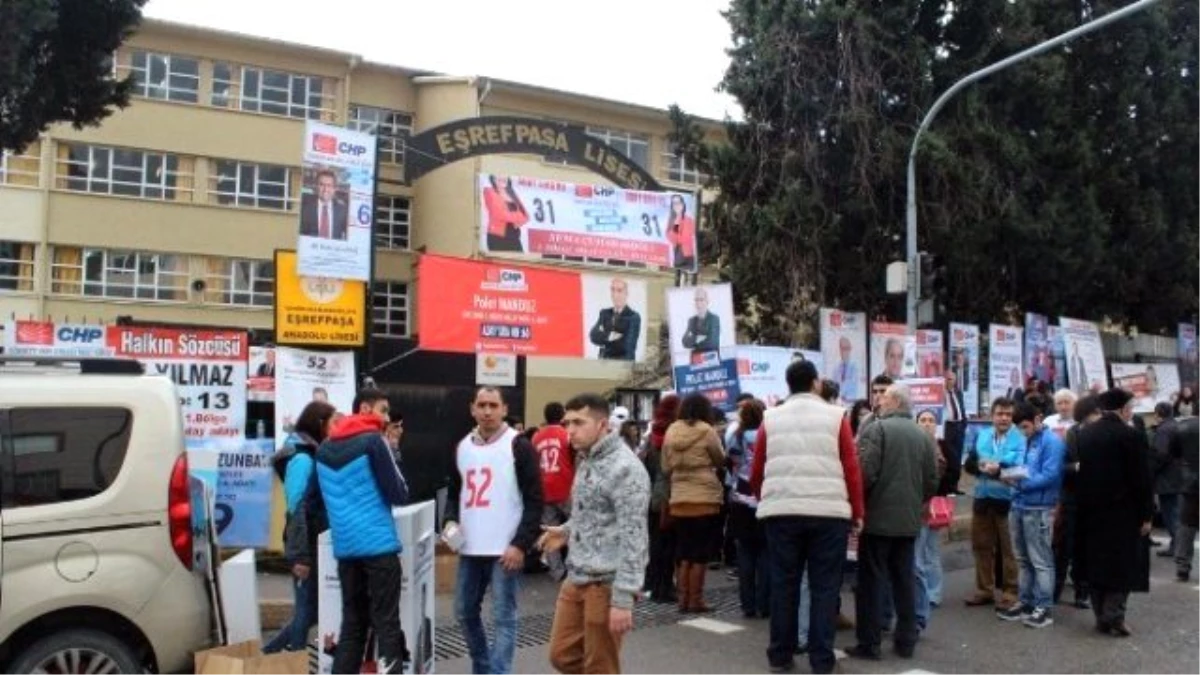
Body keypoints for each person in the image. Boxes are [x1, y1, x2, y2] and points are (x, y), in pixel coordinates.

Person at [749, 359, 864, 675]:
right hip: (828, 514)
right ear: (815, 383)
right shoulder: (835, 415)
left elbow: (757, 469)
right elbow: (850, 467)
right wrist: (857, 511)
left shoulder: (769, 418)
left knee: (784, 584)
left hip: (781, 513)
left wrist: (767, 498)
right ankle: (822, 660)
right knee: (825, 587)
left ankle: (780, 655)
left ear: (788, 384)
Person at [286, 388, 410, 675]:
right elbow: (399, 493)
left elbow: (312, 501)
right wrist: (393, 449)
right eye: (384, 409)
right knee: (387, 624)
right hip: (379, 547)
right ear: (365, 410)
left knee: (352, 626)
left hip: (346, 550)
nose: (388, 417)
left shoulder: (325, 448)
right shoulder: (374, 442)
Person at [541, 393, 650, 674]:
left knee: (600, 667)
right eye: (567, 423)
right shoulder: (587, 458)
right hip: (576, 575)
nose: (570, 431)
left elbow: (634, 537)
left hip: (606, 583)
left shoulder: (626, 468)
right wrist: (566, 530)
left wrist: (623, 598)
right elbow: (590, 511)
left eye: (579, 422)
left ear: (603, 425)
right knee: (562, 656)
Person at [442, 387, 543, 675]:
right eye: (481, 405)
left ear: (504, 409)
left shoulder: (519, 445)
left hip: (505, 549)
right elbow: (454, 493)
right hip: (470, 547)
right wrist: (449, 522)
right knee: (463, 612)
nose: (487, 411)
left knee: (503, 617)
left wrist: (521, 544)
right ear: (472, 409)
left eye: (493, 405)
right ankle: (483, 667)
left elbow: (535, 499)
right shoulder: (462, 447)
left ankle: (498, 672)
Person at [848, 385, 938, 661]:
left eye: (884, 397)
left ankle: (870, 642)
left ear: (895, 402)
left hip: (878, 519)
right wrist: (916, 503)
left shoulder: (877, 430)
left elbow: (865, 473)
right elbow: (931, 479)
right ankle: (906, 640)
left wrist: (858, 508)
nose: (879, 401)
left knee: (872, 582)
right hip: (908, 520)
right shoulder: (922, 436)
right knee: (904, 580)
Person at [1074, 388, 1153, 637]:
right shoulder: (1131, 435)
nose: (1131, 412)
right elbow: (1141, 480)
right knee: (1122, 565)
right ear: (1122, 409)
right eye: (1130, 407)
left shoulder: (1085, 434)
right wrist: (1147, 515)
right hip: (1123, 512)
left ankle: (1101, 617)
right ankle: (1115, 616)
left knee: (1096, 563)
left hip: (1091, 511)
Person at [266, 400, 336, 654]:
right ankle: (282, 658)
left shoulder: (311, 453)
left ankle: (268, 656)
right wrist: (301, 556)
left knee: (309, 612)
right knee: (307, 611)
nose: (335, 427)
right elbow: (297, 510)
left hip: (310, 543)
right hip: (303, 545)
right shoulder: (303, 459)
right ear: (320, 423)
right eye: (332, 422)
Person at [998, 402, 1065, 629]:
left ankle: (1044, 607)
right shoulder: (1026, 440)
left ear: (1038, 419)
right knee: (1023, 559)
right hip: (1019, 505)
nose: (1023, 431)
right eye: (1020, 428)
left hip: (1039, 507)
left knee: (1041, 561)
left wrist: (1020, 483)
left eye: (1026, 426)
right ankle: (1025, 601)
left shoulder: (1052, 442)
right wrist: (1006, 473)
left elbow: (1050, 475)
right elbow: (1022, 467)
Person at [662, 393, 725, 613]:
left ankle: (682, 599)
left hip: (679, 496)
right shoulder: (707, 431)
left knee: (683, 549)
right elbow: (719, 458)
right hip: (704, 497)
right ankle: (695, 599)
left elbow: (665, 465)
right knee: (700, 551)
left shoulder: (671, 430)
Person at [963, 397, 1022, 609]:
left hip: (1008, 501)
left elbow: (1021, 468)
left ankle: (1010, 592)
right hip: (982, 498)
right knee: (981, 546)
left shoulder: (1020, 438)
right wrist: (980, 466)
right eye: (1000, 414)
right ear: (992, 416)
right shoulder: (983, 435)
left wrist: (997, 469)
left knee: (1009, 550)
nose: (1004, 418)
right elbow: (969, 463)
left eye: (1008, 414)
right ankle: (984, 590)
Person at [1053, 394, 1100, 607]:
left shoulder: (1102, 435)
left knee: (1086, 548)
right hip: (1071, 498)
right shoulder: (1071, 434)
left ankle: (1082, 592)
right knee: (1063, 546)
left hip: (1092, 500)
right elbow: (1060, 466)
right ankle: (1054, 590)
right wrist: (1076, 467)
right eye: (1095, 414)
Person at [727, 398, 770, 618]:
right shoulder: (768, 435)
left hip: (740, 499)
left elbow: (731, 462)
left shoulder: (737, 436)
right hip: (764, 498)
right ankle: (764, 603)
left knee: (745, 554)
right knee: (765, 554)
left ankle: (747, 604)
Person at [642, 395, 680, 604]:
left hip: (651, 497)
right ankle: (664, 588)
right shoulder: (673, 435)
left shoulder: (652, 435)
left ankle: (654, 584)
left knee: (656, 543)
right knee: (667, 545)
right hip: (667, 496)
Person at [533, 402, 575, 583]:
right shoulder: (567, 435)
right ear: (562, 415)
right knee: (577, 527)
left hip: (544, 490)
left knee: (550, 532)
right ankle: (576, 567)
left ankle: (558, 572)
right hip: (566, 488)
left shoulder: (536, 437)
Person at [914, 410, 949, 620]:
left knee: (931, 551)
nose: (927, 424)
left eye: (931, 420)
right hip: (918, 507)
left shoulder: (940, 446)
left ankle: (933, 593)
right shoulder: (914, 443)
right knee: (919, 552)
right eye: (923, 420)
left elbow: (947, 472)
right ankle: (923, 591)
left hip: (932, 506)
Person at [1169, 410, 1200, 581]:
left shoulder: (1183, 427)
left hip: (1190, 482)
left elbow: (1173, 453)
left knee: (1186, 526)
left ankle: (1182, 566)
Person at [1152, 402, 1183, 558]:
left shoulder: (1163, 430)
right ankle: (1176, 545)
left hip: (1167, 479)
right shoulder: (1176, 425)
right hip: (1178, 475)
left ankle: (1178, 547)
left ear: (1158, 414)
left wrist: (1151, 469)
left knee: (1170, 514)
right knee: (1176, 512)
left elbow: (1161, 455)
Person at [588, 278, 641, 360]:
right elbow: (593, 335)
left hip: (623, 366)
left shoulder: (633, 317)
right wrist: (610, 335)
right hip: (603, 364)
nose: (615, 294)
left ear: (626, 293)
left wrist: (603, 339)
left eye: (619, 290)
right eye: (613, 290)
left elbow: (626, 346)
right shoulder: (604, 313)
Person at [482, 175, 529, 252]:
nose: (502, 177)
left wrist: (515, 216)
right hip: (497, 237)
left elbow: (526, 216)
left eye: (504, 175)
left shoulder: (512, 193)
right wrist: (518, 216)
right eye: (498, 175)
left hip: (514, 237)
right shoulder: (489, 191)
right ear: (493, 178)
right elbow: (499, 214)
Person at [299, 169, 349, 240]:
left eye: (329, 185)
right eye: (322, 185)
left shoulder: (343, 211)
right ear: (316, 186)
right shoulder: (305, 209)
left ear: (334, 188)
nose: (325, 189)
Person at [681, 287, 720, 354]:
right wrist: (698, 338)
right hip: (695, 359)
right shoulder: (691, 320)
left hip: (711, 358)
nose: (698, 303)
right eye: (696, 300)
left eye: (701, 300)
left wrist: (694, 343)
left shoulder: (714, 319)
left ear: (707, 301)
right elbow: (684, 342)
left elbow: (712, 342)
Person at [666, 194, 697, 270]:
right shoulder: (671, 221)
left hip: (689, 256)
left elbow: (688, 238)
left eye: (679, 202)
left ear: (683, 204)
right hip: (677, 256)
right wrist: (677, 221)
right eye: (674, 203)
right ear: (672, 206)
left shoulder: (689, 220)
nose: (677, 205)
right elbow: (673, 238)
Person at [834, 336, 861, 402]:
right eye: (843, 348)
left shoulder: (855, 366)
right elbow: (834, 384)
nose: (846, 351)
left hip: (851, 400)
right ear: (840, 349)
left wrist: (840, 394)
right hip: (838, 402)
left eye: (847, 348)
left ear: (850, 349)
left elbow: (851, 384)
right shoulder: (836, 366)